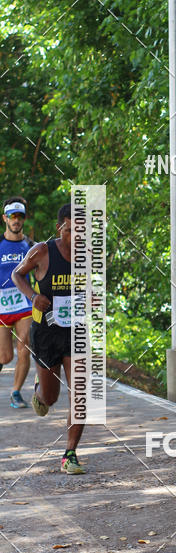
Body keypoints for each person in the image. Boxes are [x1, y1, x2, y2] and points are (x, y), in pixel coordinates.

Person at [12, 203, 86, 474]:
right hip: (45, 332)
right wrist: (33, 297)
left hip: (75, 331)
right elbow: (17, 274)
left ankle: (70, 454)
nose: (76, 235)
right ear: (60, 227)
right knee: (50, 399)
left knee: (80, 393)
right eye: (70, 229)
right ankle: (39, 393)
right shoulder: (42, 251)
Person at [0, 197, 33, 408]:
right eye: (12, 216)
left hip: (23, 304)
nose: (16, 220)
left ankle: (16, 392)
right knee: (4, 356)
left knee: (24, 347)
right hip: (2, 306)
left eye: (20, 216)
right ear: (5, 218)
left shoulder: (31, 246)